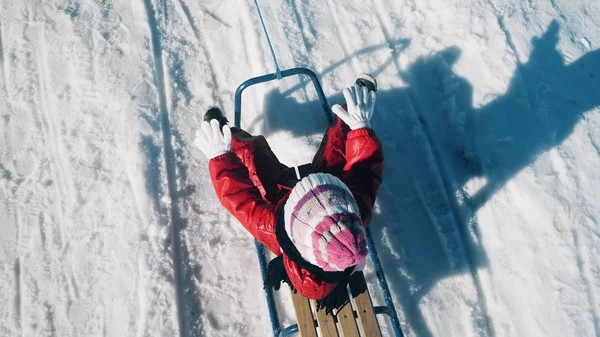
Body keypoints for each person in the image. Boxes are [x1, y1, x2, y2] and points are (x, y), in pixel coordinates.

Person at [194, 74, 383, 313]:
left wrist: (220, 157)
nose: (307, 180)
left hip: (281, 200)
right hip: (327, 190)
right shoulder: (357, 209)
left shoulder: (272, 227)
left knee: (252, 154)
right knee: (341, 146)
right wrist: (361, 129)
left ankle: (223, 138)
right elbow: (365, 173)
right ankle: (353, 114)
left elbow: (239, 197)